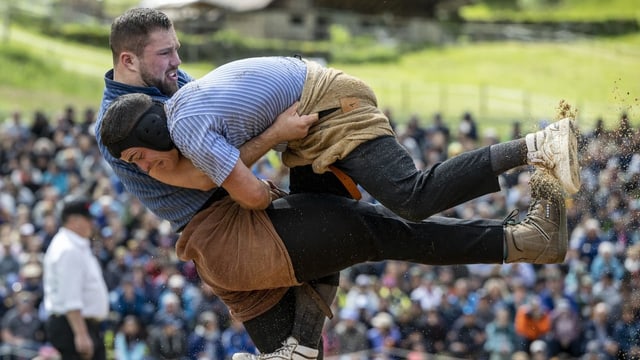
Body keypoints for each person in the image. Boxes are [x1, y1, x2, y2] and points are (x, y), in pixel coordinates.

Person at [96, 8, 575, 360]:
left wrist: (269, 136)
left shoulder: (168, 97)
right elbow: (208, 175)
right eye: (166, 53)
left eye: (177, 49)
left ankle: (303, 341)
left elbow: (220, 145)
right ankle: (527, 216)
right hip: (234, 228)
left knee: (371, 228)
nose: (177, 62)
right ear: (129, 60)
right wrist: (275, 135)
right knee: (390, 218)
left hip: (238, 232)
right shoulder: (126, 132)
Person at [42, 196, 110, 360]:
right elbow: (70, 295)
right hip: (74, 326)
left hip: (78, 324)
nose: (92, 224)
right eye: (88, 219)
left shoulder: (75, 245)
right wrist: (81, 334)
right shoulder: (68, 249)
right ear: (74, 220)